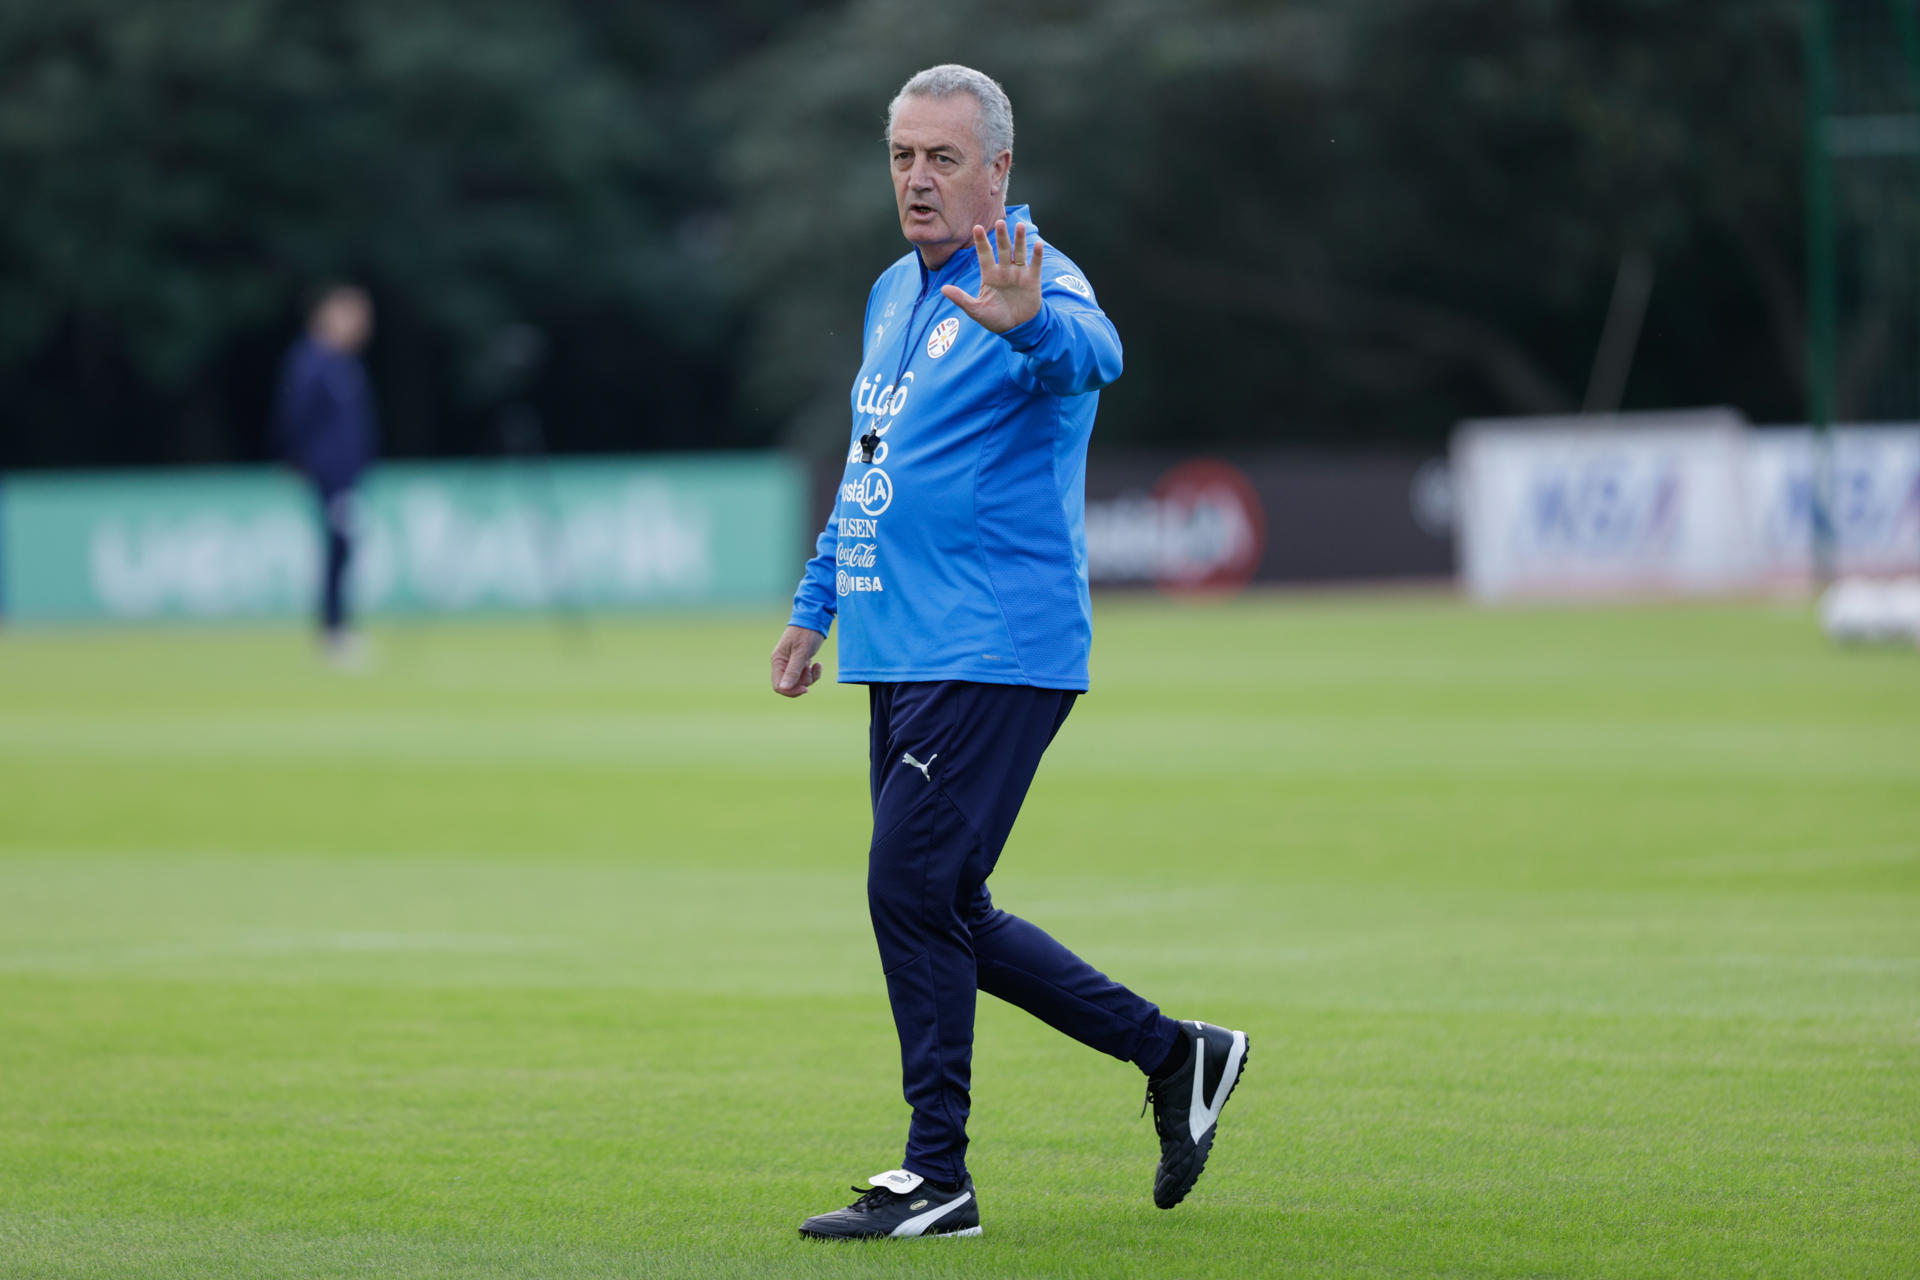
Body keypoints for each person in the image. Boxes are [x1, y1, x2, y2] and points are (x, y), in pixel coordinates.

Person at [770, 64, 1249, 1242]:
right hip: (901, 645)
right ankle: (1176, 1053)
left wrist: (1028, 318)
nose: (918, 178)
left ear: (998, 169)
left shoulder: (1029, 272)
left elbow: (1095, 353)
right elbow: (871, 461)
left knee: (907, 886)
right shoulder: (893, 290)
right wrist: (816, 603)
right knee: (946, 902)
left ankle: (937, 1174)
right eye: (902, 157)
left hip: (994, 643)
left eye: (943, 157)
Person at [273, 284, 377, 664]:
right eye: (352, 315)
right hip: (328, 474)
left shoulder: (344, 363)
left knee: (344, 547)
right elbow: (295, 416)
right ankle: (333, 630)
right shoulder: (310, 361)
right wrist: (297, 461)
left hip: (349, 473)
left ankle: (337, 626)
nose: (360, 325)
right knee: (337, 546)